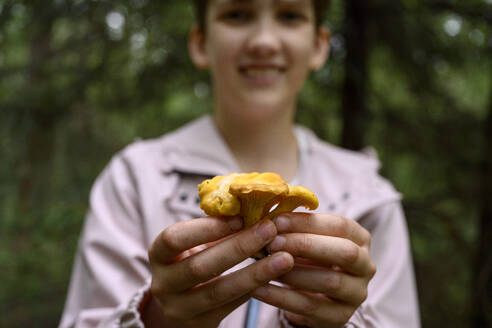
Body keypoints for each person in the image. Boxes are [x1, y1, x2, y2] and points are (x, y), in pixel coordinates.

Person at [59, 0, 421, 327]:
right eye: (237, 14)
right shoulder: (135, 179)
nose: (264, 40)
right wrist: (155, 318)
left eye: (290, 15)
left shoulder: (369, 197)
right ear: (201, 43)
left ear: (318, 45)